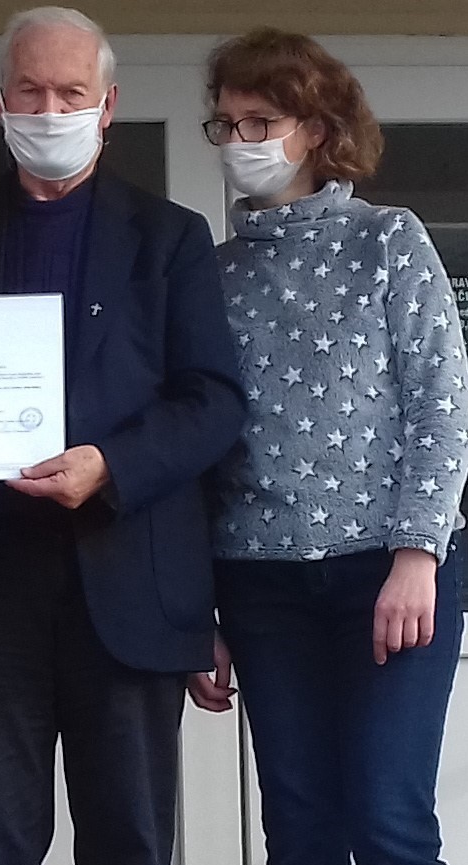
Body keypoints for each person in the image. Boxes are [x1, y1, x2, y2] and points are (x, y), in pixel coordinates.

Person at [0, 7, 246, 865]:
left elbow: (214, 401)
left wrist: (110, 464)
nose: (49, 112)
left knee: (129, 840)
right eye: (31, 92)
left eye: (70, 94)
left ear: (107, 106)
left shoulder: (170, 238)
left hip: (125, 583)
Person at [187, 28, 467, 865]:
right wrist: (195, 609)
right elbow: (197, 442)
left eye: (259, 122)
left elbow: (441, 402)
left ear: (314, 129)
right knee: (299, 827)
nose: (238, 141)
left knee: (386, 815)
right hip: (258, 582)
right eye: (225, 124)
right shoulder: (212, 272)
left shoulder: (387, 239)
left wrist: (416, 553)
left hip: (389, 569)